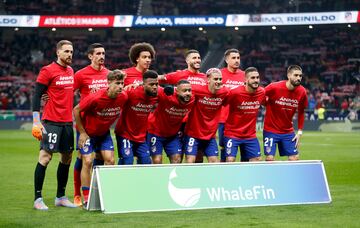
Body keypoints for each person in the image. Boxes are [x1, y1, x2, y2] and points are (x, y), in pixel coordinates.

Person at [31, 40, 77, 210]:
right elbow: (37, 95)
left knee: (67, 158)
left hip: (67, 123)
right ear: (58, 53)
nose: (70, 54)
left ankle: (61, 196)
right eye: (66, 51)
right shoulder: (48, 70)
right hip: (51, 121)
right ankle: (37, 199)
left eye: (71, 51)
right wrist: (36, 121)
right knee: (45, 157)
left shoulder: (71, 71)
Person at [73, 70, 127, 206]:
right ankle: (86, 198)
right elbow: (76, 110)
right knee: (87, 161)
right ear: (108, 83)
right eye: (117, 83)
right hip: (87, 133)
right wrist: (82, 133)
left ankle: (106, 193)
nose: (120, 86)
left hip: (103, 133)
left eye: (122, 83)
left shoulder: (123, 96)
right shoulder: (96, 97)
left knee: (110, 160)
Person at [72, 43, 109, 207]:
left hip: (102, 126)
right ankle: (78, 194)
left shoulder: (109, 74)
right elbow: (68, 92)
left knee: (103, 159)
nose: (102, 56)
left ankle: (98, 191)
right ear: (90, 56)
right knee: (84, 159)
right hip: (85, 126)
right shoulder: (81, 75)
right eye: (98, 53)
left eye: (103, 53)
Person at [184, 68, 229, 163]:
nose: (218, 82)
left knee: (214, 161)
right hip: (193, 134)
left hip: (210, 135)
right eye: (215, 79)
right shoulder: (197, 90)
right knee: (191, 161)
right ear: (208, 79)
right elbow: (181, 92)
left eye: (220, 79)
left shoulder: (224, 92)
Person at [263, 65, 308, 161]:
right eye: (296, 75)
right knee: (270, 159)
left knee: (294, 158)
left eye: (300, 76)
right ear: (288, 75)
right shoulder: (274, 87)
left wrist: (299, 131)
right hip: (271, 130)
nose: (298, 78)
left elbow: (301, 112)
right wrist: (264, 103)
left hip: (287, 131)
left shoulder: (302, 91)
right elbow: (259, 94)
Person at [115, 70, 159, 165]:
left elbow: (175, 92)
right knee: (128, 161)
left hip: (141, 136)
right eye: (151, 84)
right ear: (143, 84)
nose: (155, 87)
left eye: (156, 84)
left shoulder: (157, 94)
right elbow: (114, 93)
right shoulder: (131, 92)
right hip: (124, 133)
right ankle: (119, 179)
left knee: (146, 162)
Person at [223, 67, 265, 162]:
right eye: (253, 78)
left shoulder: (262, 92)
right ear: (246, 79)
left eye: (257, 77)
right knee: (230, 160)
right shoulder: (234, 93)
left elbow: (268, 103)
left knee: (257, 159)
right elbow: (221, 103)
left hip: (250, 135)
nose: (256, 80)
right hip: (232, 134)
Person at [148, 80, 194, 164]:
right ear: (177, 91)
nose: (187, 93)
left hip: (173, 135)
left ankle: (172, 177)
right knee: (157, 160)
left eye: (189, 90)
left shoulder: (193, 99)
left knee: (177, 159)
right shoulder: (167, 95)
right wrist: (137, 84)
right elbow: (151, 87)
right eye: (184, 91)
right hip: (156, 132)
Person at [218, 49, 245, 162]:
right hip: (224, 119)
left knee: (245, 148)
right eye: (233, 58)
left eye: (238, 58)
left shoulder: (245, 75)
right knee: (225, 148)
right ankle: (224, 173)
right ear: (226, 60)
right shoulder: (219, 74)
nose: (236, 60)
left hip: (241, 119)